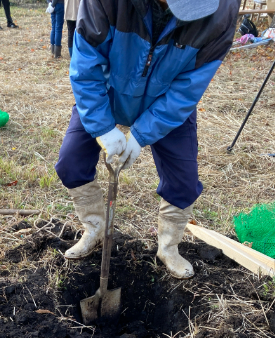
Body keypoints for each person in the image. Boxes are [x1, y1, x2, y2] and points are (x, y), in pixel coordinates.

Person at [55, 0, 238, 278]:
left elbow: (187, 90)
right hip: (108, 93)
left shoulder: (221, 12)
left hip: (168, 104)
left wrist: (141, 136)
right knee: (71, 162)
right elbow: (86, 66)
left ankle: (168, 247)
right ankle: (95, 228)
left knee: (184, 182)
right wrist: (103, 127)